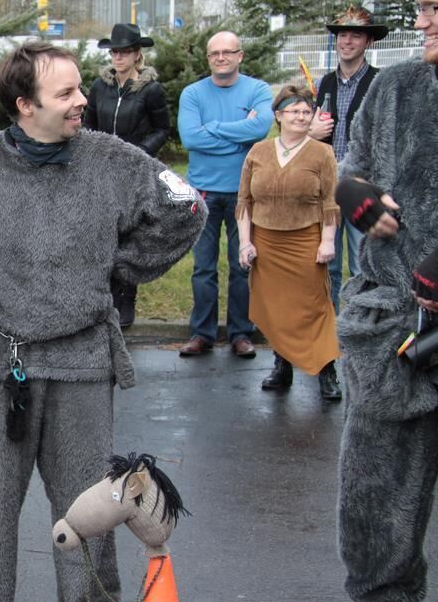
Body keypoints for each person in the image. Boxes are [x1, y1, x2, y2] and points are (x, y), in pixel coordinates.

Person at [0, 41, 205, 602]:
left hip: (82, 363)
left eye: (78, 90)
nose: (80, 102)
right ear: (23, 105)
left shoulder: (111, 160)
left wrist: (118, 264)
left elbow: (184, 206)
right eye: (65, 93)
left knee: (91, 510)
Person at [329, 0, 438, 602]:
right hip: (392, 327)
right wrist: (355, 199)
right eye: (422, 7)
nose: (424, 19)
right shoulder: (394, 88)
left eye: (435, 9)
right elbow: (354, 165)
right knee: (374, 483)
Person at [235, 86, 342, 400]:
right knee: (276, 309)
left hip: (306, 241)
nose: (301, 116)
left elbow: (330, 204)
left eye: (306, 111)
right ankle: (282, 366)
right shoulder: (258, 152)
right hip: (266, 242)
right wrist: (245, 243)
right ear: (278, 116)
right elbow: (245, 202)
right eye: (293, 111)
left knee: (315, 308)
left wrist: (327, 242)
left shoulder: (322, 153)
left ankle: (326, 370)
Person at [178, 31, 273, 359]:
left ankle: (240, 334)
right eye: (214, 53)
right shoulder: (193, 93)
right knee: (202, 268)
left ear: (240, 55)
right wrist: (236, 131)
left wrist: (212, 127)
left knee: (242, 265)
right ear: (208, 58)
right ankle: (202, 333)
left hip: (244, 193)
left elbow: (260, 129)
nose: (220, 58)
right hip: (202, 192)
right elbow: (190, 138)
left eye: (227, 52)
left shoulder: (258, 90)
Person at [85, 23, 171, 329]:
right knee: (101, 233)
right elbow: (88, 123)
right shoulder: (100, 87)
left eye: (124, 52)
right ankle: (102, 297)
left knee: (128, 234)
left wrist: (138, 152)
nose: (118, 58)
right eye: (114, 52)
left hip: (133, 171)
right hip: (101, 170)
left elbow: (163, 129)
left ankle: (126, 297)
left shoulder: (150, 89)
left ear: (137, 55)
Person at [308, 6, 388, 313]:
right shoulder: (326, 83)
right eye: (343, 35)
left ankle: (359, 327)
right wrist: (312, 134)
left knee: (361, 264)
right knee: (327, 263)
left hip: (361, 186)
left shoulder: (380, 82)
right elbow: (311, 131)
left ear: (368, 42)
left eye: (356, 35)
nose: (348, 41)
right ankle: (330, 332)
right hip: (327, 185)